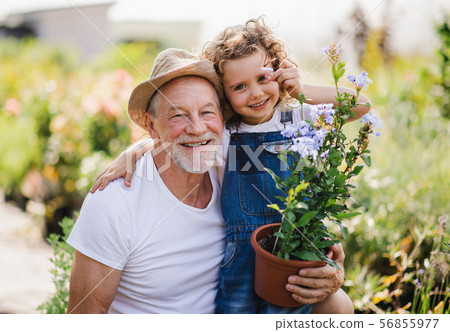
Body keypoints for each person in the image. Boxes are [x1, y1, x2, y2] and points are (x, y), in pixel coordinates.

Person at [89, 18, 368, 315]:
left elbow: (361, 105)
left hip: (293, 247)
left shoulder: (300, 116)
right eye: (239, 87)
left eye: (263, 79)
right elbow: (177, 137)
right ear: (225, 96)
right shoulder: (225, 133)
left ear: (279, 71)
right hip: (241, 258)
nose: (256, 94)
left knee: (297, 309)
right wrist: (133, 151)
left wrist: (301, 89)